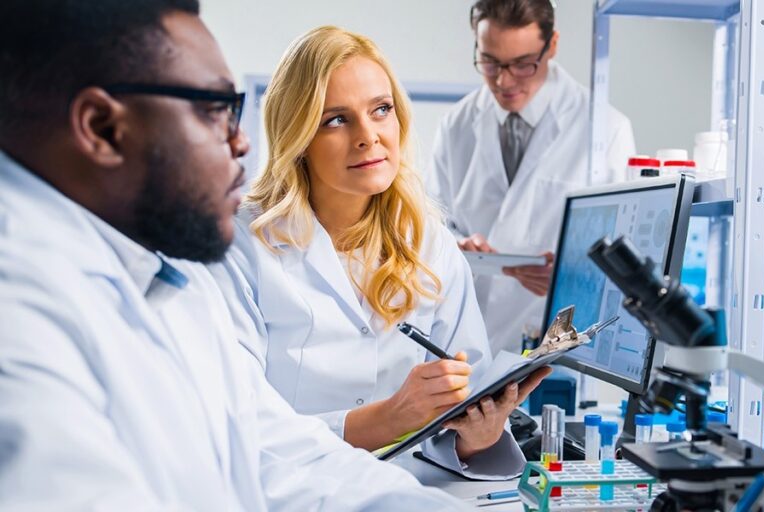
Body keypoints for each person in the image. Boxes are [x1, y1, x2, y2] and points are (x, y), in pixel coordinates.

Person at [0, 1, 469, 509]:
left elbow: (275, 450)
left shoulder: (168, 274)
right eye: (213, 110)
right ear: (102, 128)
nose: (242, 143)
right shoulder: (19, 307)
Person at [210, 26, 551, 480]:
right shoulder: (240, 245)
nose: (368, 136)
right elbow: (236, 423)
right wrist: (388, 418)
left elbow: (461, 418)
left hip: (406, 493)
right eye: (336, 119)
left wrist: (479, 434)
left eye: (380, 110)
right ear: (298, 137)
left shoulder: (430, 242)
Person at [427, 0, 637, 354]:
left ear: (551, 45)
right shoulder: (456, 125)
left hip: (558, 346)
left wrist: (567, 273)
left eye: (523, 64)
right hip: (466, 341)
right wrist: (458, 248)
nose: (503, 80)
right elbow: (433, 229)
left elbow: (622, 254)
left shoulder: (605, 129)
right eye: (490, 62)